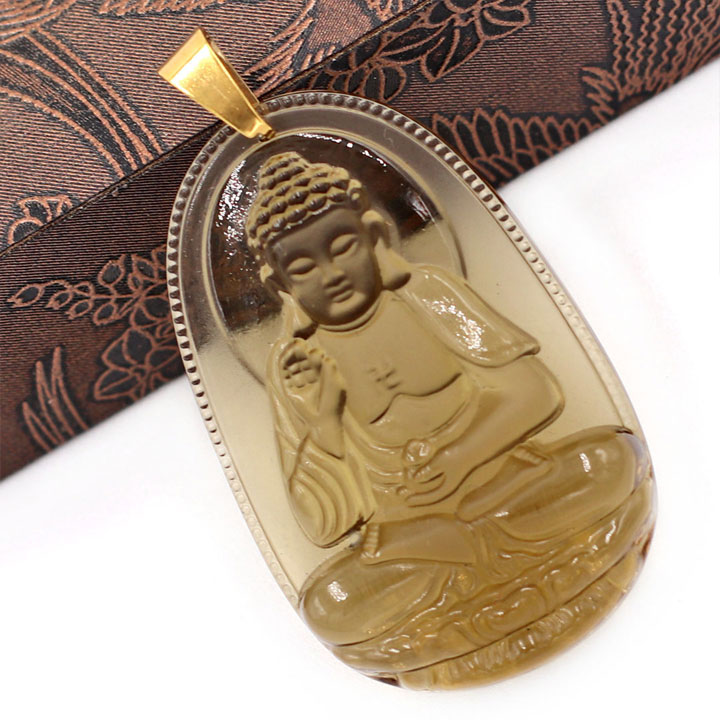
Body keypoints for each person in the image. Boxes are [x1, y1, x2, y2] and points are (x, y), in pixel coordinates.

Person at [244, 151, 654, 686]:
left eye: (343, 247)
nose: (332, 274)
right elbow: (325, 523)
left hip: (510, 491)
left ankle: (460, 608)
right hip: (413, 543)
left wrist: (460, 457)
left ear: (375, 235)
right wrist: (323, 422)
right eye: (303, 269)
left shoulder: (427, 295)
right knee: (331, 606)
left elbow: (536, 392)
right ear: (281, 287)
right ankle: (528, 573)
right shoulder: (296, 366)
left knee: (609, 462)